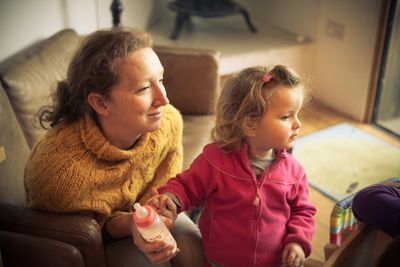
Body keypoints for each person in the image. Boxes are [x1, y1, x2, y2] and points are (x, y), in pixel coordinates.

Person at [24, 27, 203, 267]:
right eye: (143, 89)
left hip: (144, 218)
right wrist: (129, 224)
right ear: (101, 103)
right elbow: (69, 236)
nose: (164, 99)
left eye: (160, 80)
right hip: (101, 242)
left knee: (194, 246)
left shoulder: (169, 122)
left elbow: (165, 185)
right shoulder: (58, 173)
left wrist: (164, 205)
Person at [149, 65, 316, 267]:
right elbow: (185, 187)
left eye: (297, 114)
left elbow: (303, 212)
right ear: (250, 124)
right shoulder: (215, 162)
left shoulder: (294, 173)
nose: (297, 123)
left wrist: (298, 241)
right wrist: (171, 199)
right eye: (286, 117)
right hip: (219, 261)